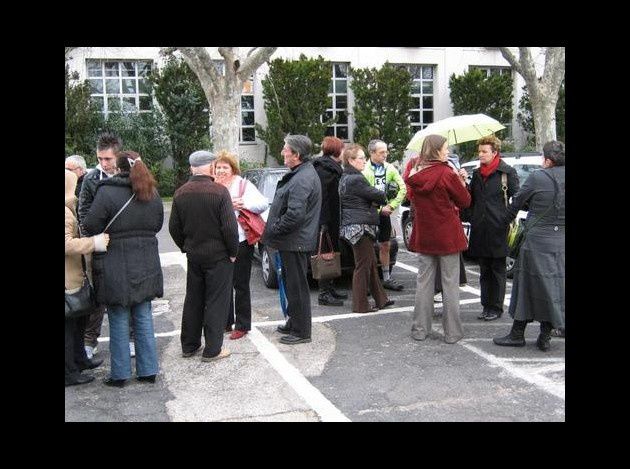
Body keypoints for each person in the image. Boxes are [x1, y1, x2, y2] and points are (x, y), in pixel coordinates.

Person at [83, 151, 164, 387]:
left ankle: (120, 375)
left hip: (113, 261)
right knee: (143, 314)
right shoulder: (152, 192)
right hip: (146, 260)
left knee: (118, 315)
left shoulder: (106, 192)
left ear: (116, 169)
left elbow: (90, 226)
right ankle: (148, 370)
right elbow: (157, 224)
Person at [493, 141, 565, 351]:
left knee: (525, 287)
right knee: (555, 288)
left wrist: (501, 225)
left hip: (536, 242)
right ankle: (545, 335)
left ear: (548, 160)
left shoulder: (537, 177)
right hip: (561, 242)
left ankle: (517, 334)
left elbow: (515, 205)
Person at [169, 150, 239, 361]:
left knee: (194, 299)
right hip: (218, 256)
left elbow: (174, 227)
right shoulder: (219, 192)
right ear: (211, 167)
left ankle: (189, 345)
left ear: (192, 168)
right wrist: (233, 252)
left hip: (195, 255)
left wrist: (185, 246)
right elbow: (229, 228)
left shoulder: (180, 193)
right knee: (217, 301)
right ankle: (212, 349)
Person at [404, 135, 471, 343]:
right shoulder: (446, 173)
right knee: (450, 284)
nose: (447, 152)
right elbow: (465, 201)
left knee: (424, 284)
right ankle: (452, 332)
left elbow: (413, 198)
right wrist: (462, 181)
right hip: (447, 235)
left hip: (425, 234)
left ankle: (419, 330)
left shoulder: (415, 174)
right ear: (436, 151)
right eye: (445, 148)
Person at [262, 135, 322, 345]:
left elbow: (295, 214)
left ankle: (301, 331)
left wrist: (275, 230)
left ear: (296, 154)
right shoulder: (300, 173)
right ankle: (293, 321)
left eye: (285, 149)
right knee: (290, 284)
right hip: (291, 241)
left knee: (297, 287)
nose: (282, 152)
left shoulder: (303, 177)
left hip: (295, 242)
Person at [213, 150, 268, 340]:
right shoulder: (212, 186)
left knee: (241, 284)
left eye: (224, 167)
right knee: (222, 284)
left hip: (240, 242)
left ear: (233, 169)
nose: (221, 170)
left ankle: (243, 324)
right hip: (218, 244)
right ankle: (225, 322)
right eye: (218, 167)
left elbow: (262, 203)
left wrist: (242, 203)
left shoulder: (242, 184)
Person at [464, 135, 519, 321]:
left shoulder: (507, 172)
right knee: (484, 270)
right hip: (480, 229)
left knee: (498, 270)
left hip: (498, 229)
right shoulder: (478, 174)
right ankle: (486, 305)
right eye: (479, 151)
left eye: (484, 151)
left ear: (494, 152)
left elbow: (518, 199)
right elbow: (470, 199)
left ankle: (496, 307)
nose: (480, 155)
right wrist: (473, 216)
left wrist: (505, 218)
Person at [79, 132, 122, 360]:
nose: (103, 163)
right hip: (99, 244)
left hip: (124, 243)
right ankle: (89, 340)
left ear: (117, 156)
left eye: (108, 159)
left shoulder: (129, 174)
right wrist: (93, 238)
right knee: (98, 295)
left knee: (128, 292)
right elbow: (83, 212)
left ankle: (133, 339)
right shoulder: (91, 178)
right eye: (100, 158)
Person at [339, 144, 394, 314]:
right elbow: (379, 195)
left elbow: (366, 198)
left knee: (369, 263)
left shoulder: (345, 177)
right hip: (360, 227)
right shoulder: (356, 178)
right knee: (363, 265)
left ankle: (381, 299)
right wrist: (379, 197)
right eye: (361, 158)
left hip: (354, 225)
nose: (364, 161)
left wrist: (372, 201)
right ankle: (360, 305)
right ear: (350, 160)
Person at [65, 170, 109, 386]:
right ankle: (70, 372)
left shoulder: (68, 208)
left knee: (78, 321)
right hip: (68, 277)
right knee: (69, 326)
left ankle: (80, 360)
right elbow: (66, 243)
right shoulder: (64, 212)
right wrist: (93, 243)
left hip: (75, 275)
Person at [363, 139, 407, 291]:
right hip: (368, 213)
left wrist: (391, 205)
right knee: (367, 247)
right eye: (382, 152)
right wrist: (378, 209)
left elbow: (403, 188)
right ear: (372, 153)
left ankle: (386, 278)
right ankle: (369, 281)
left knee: (385, 244)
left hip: (385, 213)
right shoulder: (364, 169)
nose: (385, 155)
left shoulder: (390, 168)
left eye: (386, 151)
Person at [312, 136, 348, 306]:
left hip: (332, 218)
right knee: (326, 254)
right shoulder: (325, 170)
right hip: (326, 220)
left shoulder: (331, 167)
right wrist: (324, 222)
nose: (344, 151)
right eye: (343, 148)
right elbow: (323, 198)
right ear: (336, 151)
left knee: (332, 253)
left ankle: (330, 288)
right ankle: (324, 294)